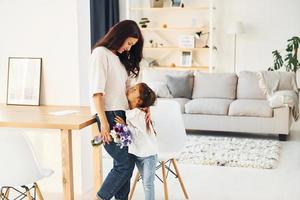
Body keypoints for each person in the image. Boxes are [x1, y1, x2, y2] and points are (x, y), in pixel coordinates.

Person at [89, 20, 144, 200]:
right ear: (119, 36)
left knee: (123, 162)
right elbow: (97, 92)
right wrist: (103, 123)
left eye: (132, 45)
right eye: (128, 43)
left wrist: (144, 107)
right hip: (110, 116)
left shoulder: (119, 59)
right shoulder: (100, 54)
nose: (129, 48)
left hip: (122, 115)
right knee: (124, 164)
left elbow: (128, 91)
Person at [114, 83, 158, 200]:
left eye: (134, 90)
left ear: (138, 100)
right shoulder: (130, 111)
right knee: (145, 182)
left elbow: (138, 134)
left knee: (148, 184)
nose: (130, 89)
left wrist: (124, 126)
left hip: (149, 155)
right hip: (137, 154)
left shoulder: (139, 114)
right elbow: (129, 138)